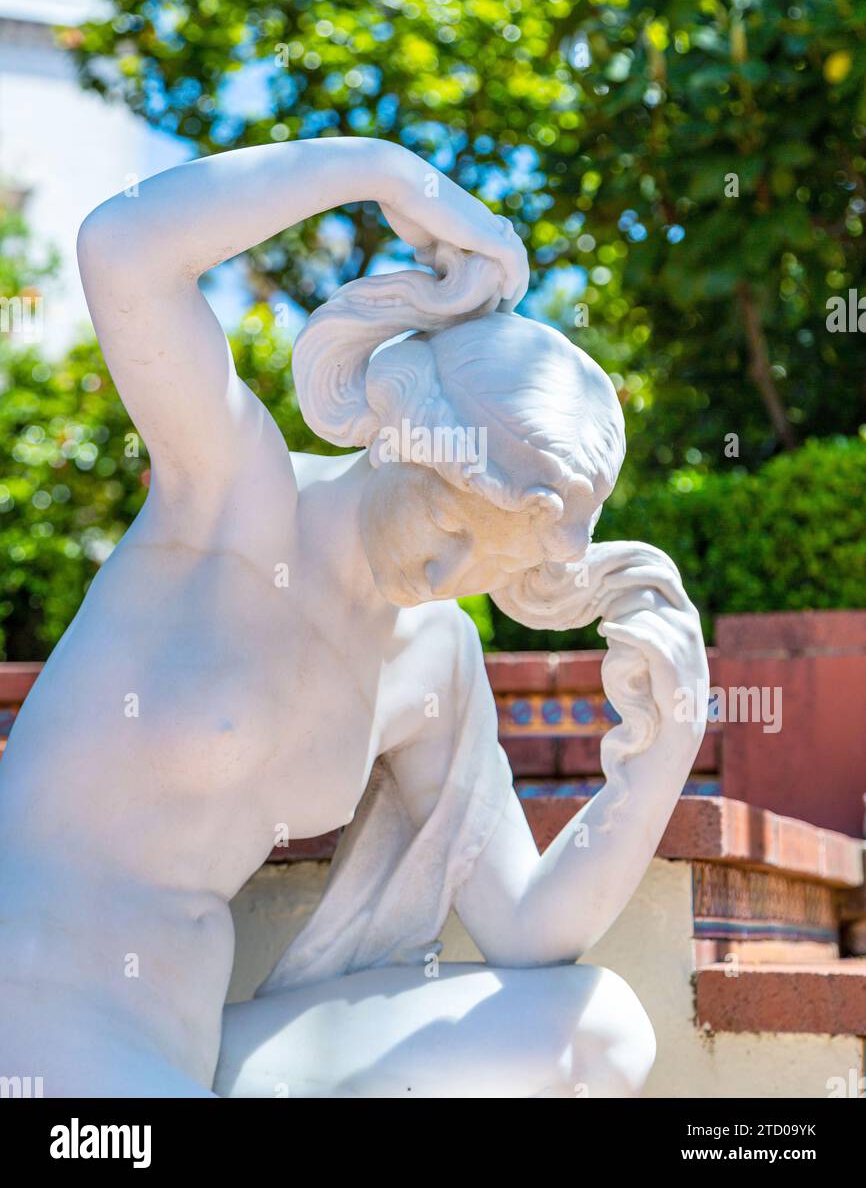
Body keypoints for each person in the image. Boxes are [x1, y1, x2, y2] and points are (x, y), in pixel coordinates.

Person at [0, 139, 707, 1097]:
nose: (449, 571)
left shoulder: (433, 657)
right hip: (37, 1022)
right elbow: (122, 246)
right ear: (397, 429)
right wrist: (382, 171)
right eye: (448, 515)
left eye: (490, 562)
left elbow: (530, 927)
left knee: (597, 1032)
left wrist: (665, 747)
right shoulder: (234, 497)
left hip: (195, 1047)